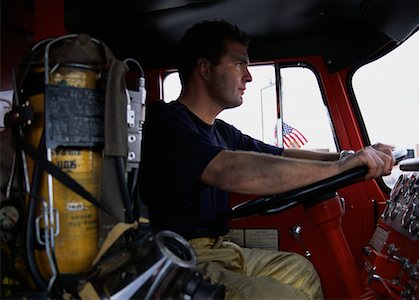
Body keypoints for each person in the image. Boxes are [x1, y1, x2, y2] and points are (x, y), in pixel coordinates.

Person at [139, 20, 394, 299]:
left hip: (221, 249)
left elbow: (280, 154)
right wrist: (339, 168)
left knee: (300, 272)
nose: (248, 77)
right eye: (239, 64)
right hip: (178, 257)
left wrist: (349, 157)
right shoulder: (165, 121)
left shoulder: (221, 131)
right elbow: (228, 171)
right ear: (204, 68)